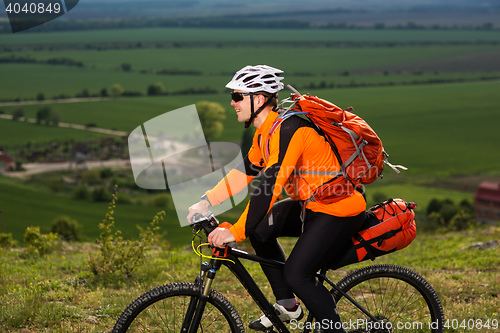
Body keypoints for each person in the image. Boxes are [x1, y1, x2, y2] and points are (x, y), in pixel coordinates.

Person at [187, 65, 366, 333]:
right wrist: (206, 201)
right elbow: (245, 173)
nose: (232, 103)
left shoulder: (289, 129)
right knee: (261, 231)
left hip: (338, 209)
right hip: (312, 205)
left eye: (237, 96)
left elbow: (270, 187)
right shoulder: (266, 132)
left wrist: (235, 231)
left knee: (298, 275)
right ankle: (289, 306)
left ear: (257, 99)